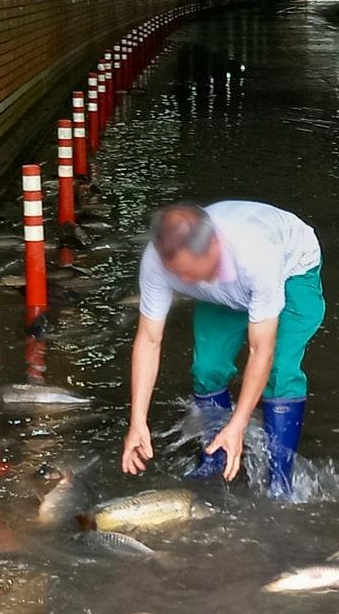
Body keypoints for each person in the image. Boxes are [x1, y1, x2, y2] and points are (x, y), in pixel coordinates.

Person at [122, 201, 325, 499]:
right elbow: (149, 339)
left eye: (191, 271)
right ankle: (215, 457)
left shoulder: (256, 255)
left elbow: (261, 350)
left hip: (293, 268)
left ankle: (280, 481)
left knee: (281, 370)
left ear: (214, 244)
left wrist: (239, 423)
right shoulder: (157, 259)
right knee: (207, 368)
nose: (186, 281)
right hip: (227, 288)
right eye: (179, 274)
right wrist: (137, 421)